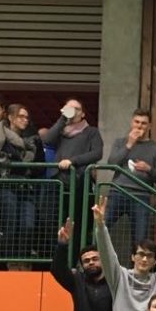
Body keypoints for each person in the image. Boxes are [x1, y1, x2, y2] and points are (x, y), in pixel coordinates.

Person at [43, 98, 103, 245]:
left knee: (76, 222)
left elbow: (97, 153)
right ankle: (56, 251)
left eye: (76, 109)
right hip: (57, 181)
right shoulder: (61, 130)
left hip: (79, 182)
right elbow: (48, 140)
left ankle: (74, 254)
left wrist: (73, 161)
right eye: (69, 108)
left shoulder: (91, 132)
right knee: (53, 220)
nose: (72, 111)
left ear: (83, 114)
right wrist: (62, 118)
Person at [52, 218, 114, 311]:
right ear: (82, 265)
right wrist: (62, 245)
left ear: (103, 261)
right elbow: (57, 270)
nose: (91, 263)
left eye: (95, 259)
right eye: (86, 261)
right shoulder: (77, 281)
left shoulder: (114, 281)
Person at [0, 104, 45, 259]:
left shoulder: (33, 139)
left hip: (26, 186)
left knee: (28, 225)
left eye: (27, 117)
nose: (25, 120)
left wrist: (23, 167)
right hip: (6, 184)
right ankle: (8, 261)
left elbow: (40, 165)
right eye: (21, 116)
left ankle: (23, 259)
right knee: (10, 224)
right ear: (10, 117)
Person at [105, 108, 156, 244]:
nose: (139, 126)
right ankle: (95, 257)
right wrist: (129, 144)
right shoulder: (120, 142)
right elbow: (111, 163)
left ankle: (137, 258)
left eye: (143, 123)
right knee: (102, 228)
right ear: (131, 123)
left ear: (149, 126)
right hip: (117, 192)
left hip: (141, 196)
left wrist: (148, 169)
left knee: (140, 239)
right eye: (137, 122)